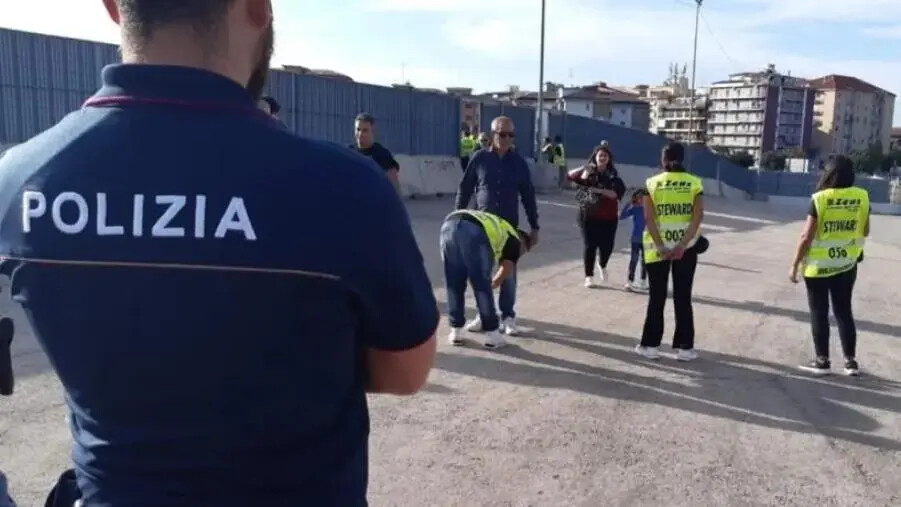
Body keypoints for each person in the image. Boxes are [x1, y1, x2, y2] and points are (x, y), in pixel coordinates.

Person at [0, 1, 438, 506]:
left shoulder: (22, 179)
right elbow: (404, 372)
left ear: (113, 7)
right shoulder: (345, 188)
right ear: (258, 8)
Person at [455, 115, 539, 337]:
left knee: (508, 275)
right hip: (482, 226)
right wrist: (457, 216)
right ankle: (484, 315)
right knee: (481, 273)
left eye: (510, 135)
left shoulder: (519, 163)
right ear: (493, 135)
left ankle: (508, 316)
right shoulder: (479, 158)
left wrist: (535, 226)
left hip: (508, 228)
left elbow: (528, 196)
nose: (506, 138)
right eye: (502, 134)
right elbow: (465, 188)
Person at [789, 155, 869, 376]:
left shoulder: (820, 198)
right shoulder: (862, 196)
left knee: (819, 312)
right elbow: (865, 230)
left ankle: (822, 361)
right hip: (846, 264)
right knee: (844, 312)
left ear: (828, 173)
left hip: (818, 267)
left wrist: (794, 264)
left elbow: (806, 236)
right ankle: (850, 362)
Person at [636, 142, 704, 362]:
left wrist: (661, 245)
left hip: (658, 250)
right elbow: (697, 218)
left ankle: (651, 346)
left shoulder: (652, 184)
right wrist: (682, 245)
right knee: (683, 297)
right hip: (686, 250)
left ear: (663, 160)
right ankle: (685, 349)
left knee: (657, 297)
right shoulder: (694, 184)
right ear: (682, 159)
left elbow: (648, 218)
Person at [440, 210, 532, 349]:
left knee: (454, 283)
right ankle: (493, 334)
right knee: (482, 286)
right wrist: (490, 284)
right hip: (474, 232)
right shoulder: (514, 239)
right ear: (523, 243)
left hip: (448, 227)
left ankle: (456, 332)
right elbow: (505, 271)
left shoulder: (500, 227)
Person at [566, 145, 626, 288]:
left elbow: (614, 194)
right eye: (600, 155)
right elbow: (569, 176)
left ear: (609, 159)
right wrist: (584, 168)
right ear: (595, 157)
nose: (603, 158)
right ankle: (589, 276)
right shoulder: (588, 173)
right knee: (590, 246)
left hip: (609, 218)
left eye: (605, 155)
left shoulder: (613, 177)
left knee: (607, 247)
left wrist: (596, 190)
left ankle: (602, 264)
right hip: (588, 216)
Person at [351, 112, 401, 192]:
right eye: (358, 129)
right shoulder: (349, 152)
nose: (360, 134)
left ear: (373, 131)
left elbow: (394, 187)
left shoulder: (383, 155)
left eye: (365, 130)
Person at [620, 189, 648, 291]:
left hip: (647, 239)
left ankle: (643, 281)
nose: (641, 200)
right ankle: (630, 281)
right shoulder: (635, 209)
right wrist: (628, 204)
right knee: (634, 260)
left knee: (646, 261)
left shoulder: (651, 209)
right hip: (636, 239)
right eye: (638, 198)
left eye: (642, 198)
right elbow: (621, 216)